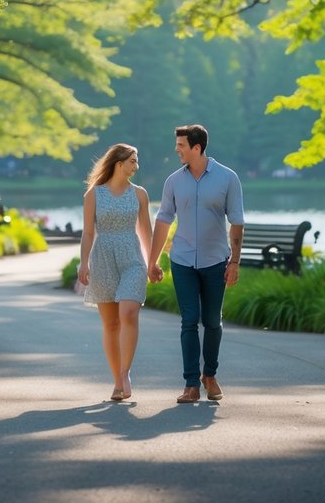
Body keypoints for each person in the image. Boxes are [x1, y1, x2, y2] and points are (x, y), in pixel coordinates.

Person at [148, 124, 245, 404]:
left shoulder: (228, 178)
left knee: (212, 321)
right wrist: (152, 261)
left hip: (216, 261)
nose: (176, 150)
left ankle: (210, 375)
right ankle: (191, 383)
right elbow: (163, 220)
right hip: (182, 261)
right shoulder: (173, 182)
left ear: (196, 148)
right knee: (189, 320)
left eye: (180, 145)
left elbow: (237, 222)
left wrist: (235, 262)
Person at [77, 143, 153, 402]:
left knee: (128, 312)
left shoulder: (140, 194)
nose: (136, 166)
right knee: (111, 324)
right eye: (132, 161)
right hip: (103, 260)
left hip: (132, 259)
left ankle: (126, 371)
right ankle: (117, 381)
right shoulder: (94, 195)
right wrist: (83, 262)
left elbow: (146, 232)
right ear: (119, 163)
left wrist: (152, 263)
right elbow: (88, 232)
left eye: (137, 160)